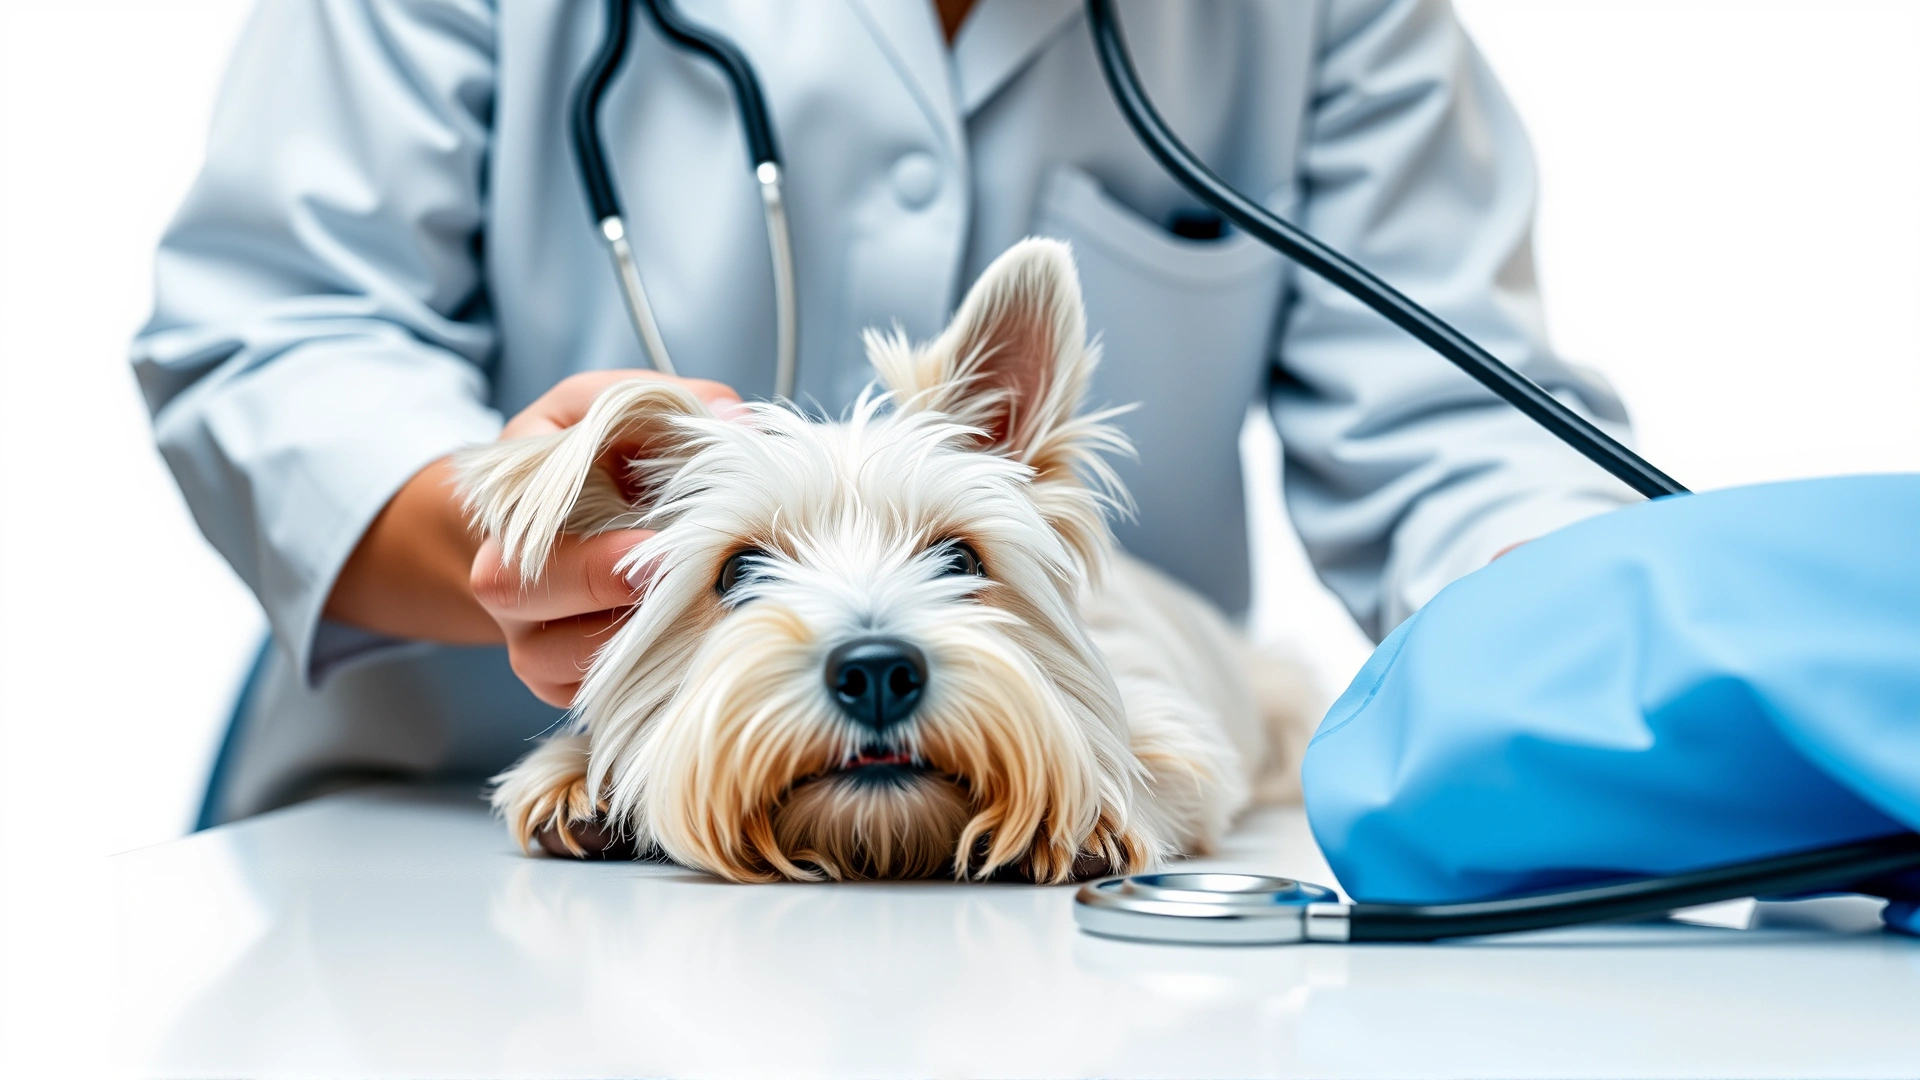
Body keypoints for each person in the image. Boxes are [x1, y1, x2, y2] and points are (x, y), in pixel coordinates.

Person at [134, 0, 1637, 825]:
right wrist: (515, 537)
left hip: (1085, 903)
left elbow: (1463, 432)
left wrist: (1646, 655)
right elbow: (272, 343)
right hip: (430, 840)